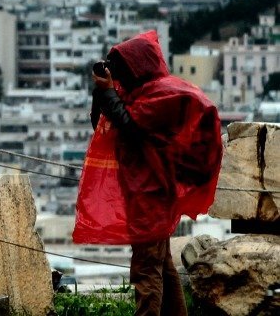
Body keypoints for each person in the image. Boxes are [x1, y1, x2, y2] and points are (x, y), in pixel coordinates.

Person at [78, 30, 222, 316]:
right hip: (147, 192)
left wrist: (108, 92)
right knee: (163, 266)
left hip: (150, 194)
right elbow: (104, 125)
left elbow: (131, 128)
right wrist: (103, 92)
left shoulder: (159, 97)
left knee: (146, 271)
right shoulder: (138, 96)